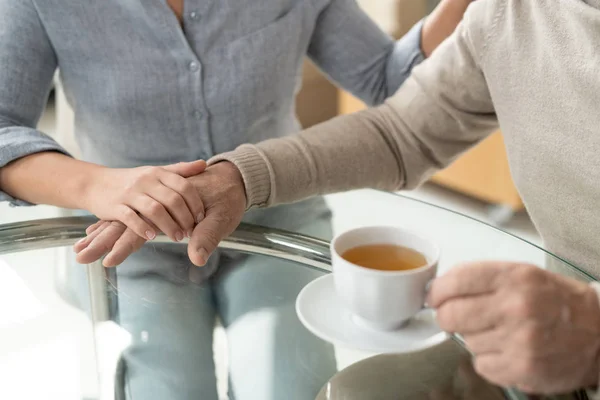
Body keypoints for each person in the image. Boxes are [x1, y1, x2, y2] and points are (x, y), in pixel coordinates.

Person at [79, 0, 600, 396]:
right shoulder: (512, 10)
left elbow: (383, 78)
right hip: (557, 346)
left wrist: (592, 329)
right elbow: (403, 132)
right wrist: (238, 177)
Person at [0, 1, 473, 399]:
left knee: (289, 387)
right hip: (136, 243)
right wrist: (99, 186)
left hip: (278, 221)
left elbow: (394, 82)